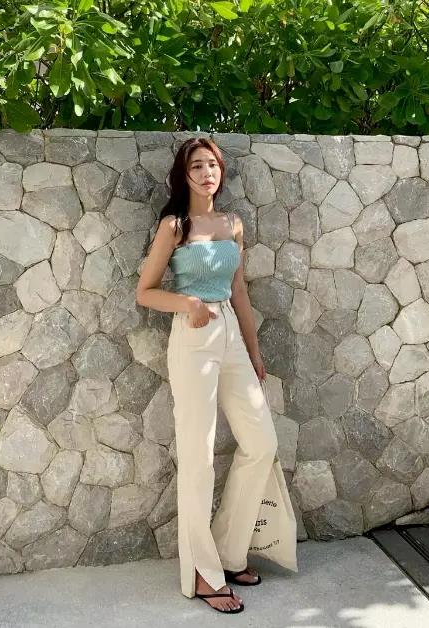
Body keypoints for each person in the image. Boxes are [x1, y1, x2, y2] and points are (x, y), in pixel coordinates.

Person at [136, 137, 284, 614]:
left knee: (261, 443)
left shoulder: (233, 224)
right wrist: (188, 303)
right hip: (194, 336)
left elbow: (239, 290)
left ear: (221, 171)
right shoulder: (174, 226)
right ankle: (202, 573)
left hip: (232, 336)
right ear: (184, 176)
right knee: (198, 457)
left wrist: (254, 351)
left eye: (212, 165)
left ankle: (227, 553)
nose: (206, 173)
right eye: (196, 166)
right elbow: (145, 291)